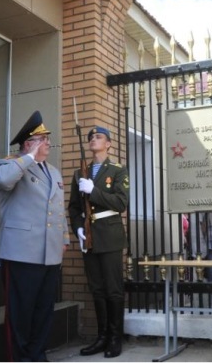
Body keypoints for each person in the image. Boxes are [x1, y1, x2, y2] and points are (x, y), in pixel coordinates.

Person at [0, 110, 70, 362]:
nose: (48, 143)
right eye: (42, 139)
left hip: (49, 254)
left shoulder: (54, 172)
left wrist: (65, 239)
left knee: (43, 310)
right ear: (28, 143)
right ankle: (19, 357)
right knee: (20, 312)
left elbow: (58, 208)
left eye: (48, 138)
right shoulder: (8, 164)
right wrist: (27, 158)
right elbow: (4, 181)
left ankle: (37, 355)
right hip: (21, 253)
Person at [69, 126, 130, 358]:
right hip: (89, 237)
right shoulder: (79, 174)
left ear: (109, 144)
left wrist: (94, 191)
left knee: (113, 290)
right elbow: (74, 207)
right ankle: (102, 336)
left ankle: (115, 338)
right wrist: (78, 229)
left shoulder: (118, 170)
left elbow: (120, 203)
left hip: (110, 235)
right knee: (97, 289)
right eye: (91, 137)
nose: (93, 139)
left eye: (98, 137)